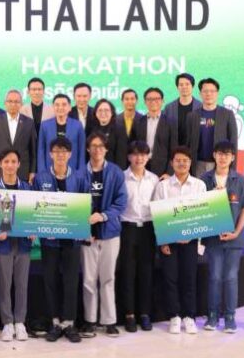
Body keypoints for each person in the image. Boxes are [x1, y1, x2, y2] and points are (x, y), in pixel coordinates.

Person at [33, 137, 88, 343]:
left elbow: (86, 205)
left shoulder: (80, 178)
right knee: (50, 280)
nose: (60, 155)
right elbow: (34, 205)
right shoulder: (41, 178)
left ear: (70, 154)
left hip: (72, 240)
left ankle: (69, 323)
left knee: (71, 281)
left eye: (64, 151)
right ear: (50, 154)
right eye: (56, 151)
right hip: (49, 240)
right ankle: (55, 323)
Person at [200, 140, 244, 334]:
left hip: (234, 239)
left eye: (227, 154)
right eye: (220, 154)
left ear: (232, 157)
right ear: (214, 155)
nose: (223, 157)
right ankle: (212, 315)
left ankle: (230, 317)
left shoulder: (240, 180)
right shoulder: (204, 179)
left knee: (230, 277)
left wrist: (237, 232)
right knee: (214, 277)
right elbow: (197, 207)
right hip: (213, 238)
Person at [153, 146, 207, 335]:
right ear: (172, 163)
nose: (182, 163)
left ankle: (189, 317)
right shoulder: (163, 186)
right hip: (169, 241)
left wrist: (192, 235)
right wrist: (163, 241)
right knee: (170, 279)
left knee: (189, 279)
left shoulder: (199, 185)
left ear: (190, 163)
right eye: (178, 160)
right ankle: (174, 316)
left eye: (185, 160)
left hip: (190, 241)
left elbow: (203, 213)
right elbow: (157, 214)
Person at [81, 132, 127, 338]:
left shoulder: (116, 172)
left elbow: (121, 202)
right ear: (88, 149)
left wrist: (103, 216)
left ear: (106, 149)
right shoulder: (80, 174)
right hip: (87, 236)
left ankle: (109, 321)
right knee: (88, 279)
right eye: (93, 146)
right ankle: (90, 321)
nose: (97, 149)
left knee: (108, 278)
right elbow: (75, 204)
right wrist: (84, 229)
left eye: (101, 146)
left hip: (110, 233)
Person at [0, 149, 33, 342]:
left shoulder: (28, 189)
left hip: (23, 244)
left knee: (22, 284)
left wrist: (33, 228)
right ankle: (7, 323)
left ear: (19, 164)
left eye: (14, 161)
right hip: (3, 245)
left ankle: (20, 322)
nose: (10, 165)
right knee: (4, 285)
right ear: (0, 164)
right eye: (6, 161)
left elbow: (33, 215)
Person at [119, 141, 159, 333]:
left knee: (146, 272)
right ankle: (129, 314)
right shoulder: (121, 177)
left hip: (148, 229)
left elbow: (160, 205)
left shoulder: (154, 179)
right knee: (127, 272)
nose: (139, 158)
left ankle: (144, 313)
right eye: (135, 154)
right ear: (129, 157)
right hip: (127, 228)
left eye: (143, 154)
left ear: (148, 157)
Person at [186, 78, 238, 177]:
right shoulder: (192, 116)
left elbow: (233, 142)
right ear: (200, 94)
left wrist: (232, 169)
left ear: (217, 93)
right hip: (198, 164)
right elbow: (188, 143)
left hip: (220, 164)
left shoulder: (227, 114)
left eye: (212, 91)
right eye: (205, 91)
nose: (208, 94)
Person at [0, 89, 37, 184]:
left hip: (23, 172)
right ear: (5, 103)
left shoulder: (29, 123)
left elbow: (33, 150)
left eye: (16, 102)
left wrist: (32, 171)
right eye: (10, 101)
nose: (13, 104)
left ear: (21, 104)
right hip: (0, 171)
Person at [135, 87, 177, 178]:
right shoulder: (139, 122)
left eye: (157, 99)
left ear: (162, 101)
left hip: (162, 169)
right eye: (149, 99)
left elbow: (173, 149)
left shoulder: (171, 122)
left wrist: (169, 172)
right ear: (145, 102)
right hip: (141, 166)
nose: (153, 102)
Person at [37, 94, 85, 173]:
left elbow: (81, 150)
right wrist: (42, 171)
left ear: (69, 107)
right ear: (53, 107)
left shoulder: (78, 125)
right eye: (57, 105)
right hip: (49, 171)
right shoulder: (45, 125)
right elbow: (41, 150)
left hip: (72, 171)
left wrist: (81, 171)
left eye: (64, 104)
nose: (60, 107)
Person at [163, 73, 202, 146]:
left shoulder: (201, 107)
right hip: (174, 148)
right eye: (181, 85)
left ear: (192, 86)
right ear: (177, 87)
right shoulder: (169, 108)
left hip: (196, 148)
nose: (184, 87)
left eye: (187, 84)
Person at [91, 99, 128, 169]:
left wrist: (118, 172)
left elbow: (121, 156)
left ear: (112, 113)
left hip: (112, 170)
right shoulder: (92, 129)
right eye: (100, 110)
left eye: (106, 110)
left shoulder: (119, 129)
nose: (103, 113)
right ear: (95, 113)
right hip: (94, 169)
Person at [114, 89, 141, 167]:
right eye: (127, 99)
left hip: (138, 163)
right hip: (119, 163)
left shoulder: (143, 120)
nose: (129, 101)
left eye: (132, 99)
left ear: (137, 101)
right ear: (122, 101)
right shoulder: (115, 120)